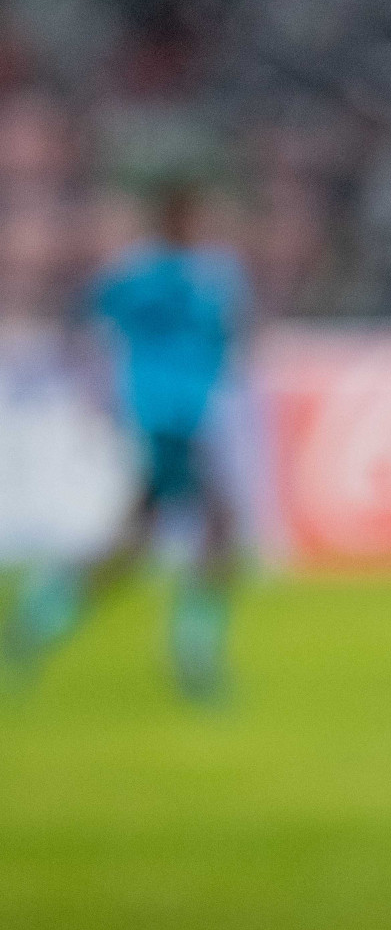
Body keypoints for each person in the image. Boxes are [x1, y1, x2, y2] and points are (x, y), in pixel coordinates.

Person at [2, 181, 247, 702]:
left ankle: (40, 614)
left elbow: (228, 339)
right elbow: (81, 317)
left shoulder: (197, 274)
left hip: (186, 415)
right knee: (220, 528)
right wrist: (93, 387)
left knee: (134, 546)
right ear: (176, 218)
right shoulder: (157, 276)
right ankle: (194, 653)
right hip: (166, 417)